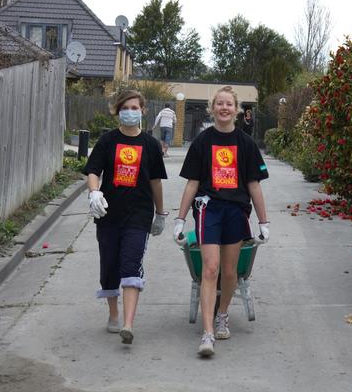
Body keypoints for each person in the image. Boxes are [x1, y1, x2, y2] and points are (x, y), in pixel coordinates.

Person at [173, 86, 269, 357]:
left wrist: (264, 222)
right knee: (210, 269)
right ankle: (207, 333)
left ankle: (222, 314)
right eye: (220, 104)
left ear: (237, 110)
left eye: (229, 104)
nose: (225, 108)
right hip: (208, 209)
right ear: (212, 108)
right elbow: (193, 183)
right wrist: (180, 219)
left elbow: (254, 185)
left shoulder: (246, 144)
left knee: (229, 272)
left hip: (236, 211)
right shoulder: (203, 142)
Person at [82, 90, 168, 345]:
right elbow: (93, 171)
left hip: (138, 215)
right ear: (117, 111)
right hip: (109, 214)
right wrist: (94, 192)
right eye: (125, 107)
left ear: (143, 111)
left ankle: (128, 324)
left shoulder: (151, 145)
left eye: (134, 107)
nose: (130, 111)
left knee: (131, 265)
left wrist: (161, 214)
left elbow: (155, 182)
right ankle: (113, 313)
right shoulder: (108, 141)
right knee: (110, 265)